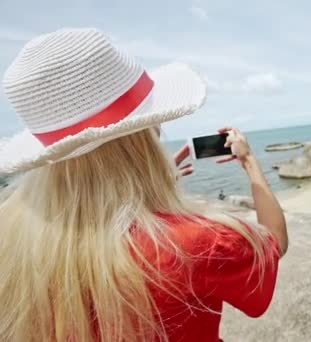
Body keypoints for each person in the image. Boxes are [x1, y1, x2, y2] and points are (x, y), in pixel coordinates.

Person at [0, 28, 287, 342]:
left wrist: (155, 185)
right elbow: (273, 242)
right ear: (143, 135)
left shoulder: (16, 239)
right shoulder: (192, 243)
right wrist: (251, 165)